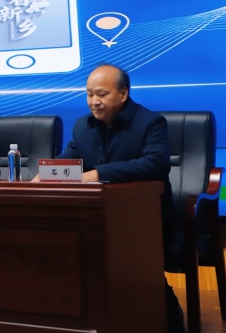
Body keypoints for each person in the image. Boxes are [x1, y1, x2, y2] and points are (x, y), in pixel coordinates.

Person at [52, 64, 184, 333]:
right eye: (89, 94)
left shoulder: (150, 122)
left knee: (139, 275)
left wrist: (98, 173)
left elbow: (156, 164)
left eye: (101, 94)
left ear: (123, 93)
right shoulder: (82, 125)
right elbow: (69, 162)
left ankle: (169, 323)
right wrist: (47, 174)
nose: (94, 101)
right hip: (96, 218)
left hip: (144, 219)